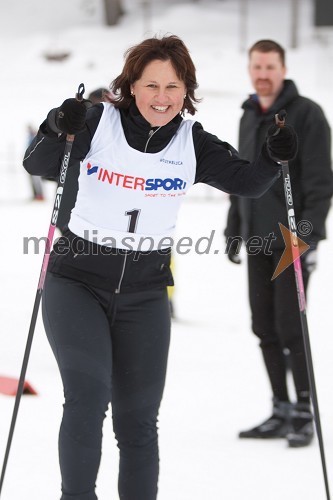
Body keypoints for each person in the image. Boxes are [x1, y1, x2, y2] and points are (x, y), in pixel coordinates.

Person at [23, 35, 297, 500]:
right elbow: (39, 161)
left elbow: (248, 182)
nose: (162, 97)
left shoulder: (192, 141)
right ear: (131, 86)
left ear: (186, 90)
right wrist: (56, 125)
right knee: (88, 401)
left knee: (138, 421)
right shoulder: (96, 122)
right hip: (77, 281)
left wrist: (274, 157)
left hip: (146, 293)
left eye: (173, 86)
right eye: (151, 85)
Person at [225, 39, 332, 448]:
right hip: (257, 238)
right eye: (256, 66)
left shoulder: (307, 115)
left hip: (292, 242)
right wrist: (235, 227)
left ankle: (304, 409)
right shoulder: (249, 115)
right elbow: (240, 180)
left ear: (283, 68)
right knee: (263, 326)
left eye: (270, 66)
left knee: (291, 326)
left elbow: (322, 183)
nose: (262, 74)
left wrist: (307, 238)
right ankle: (280, 407)